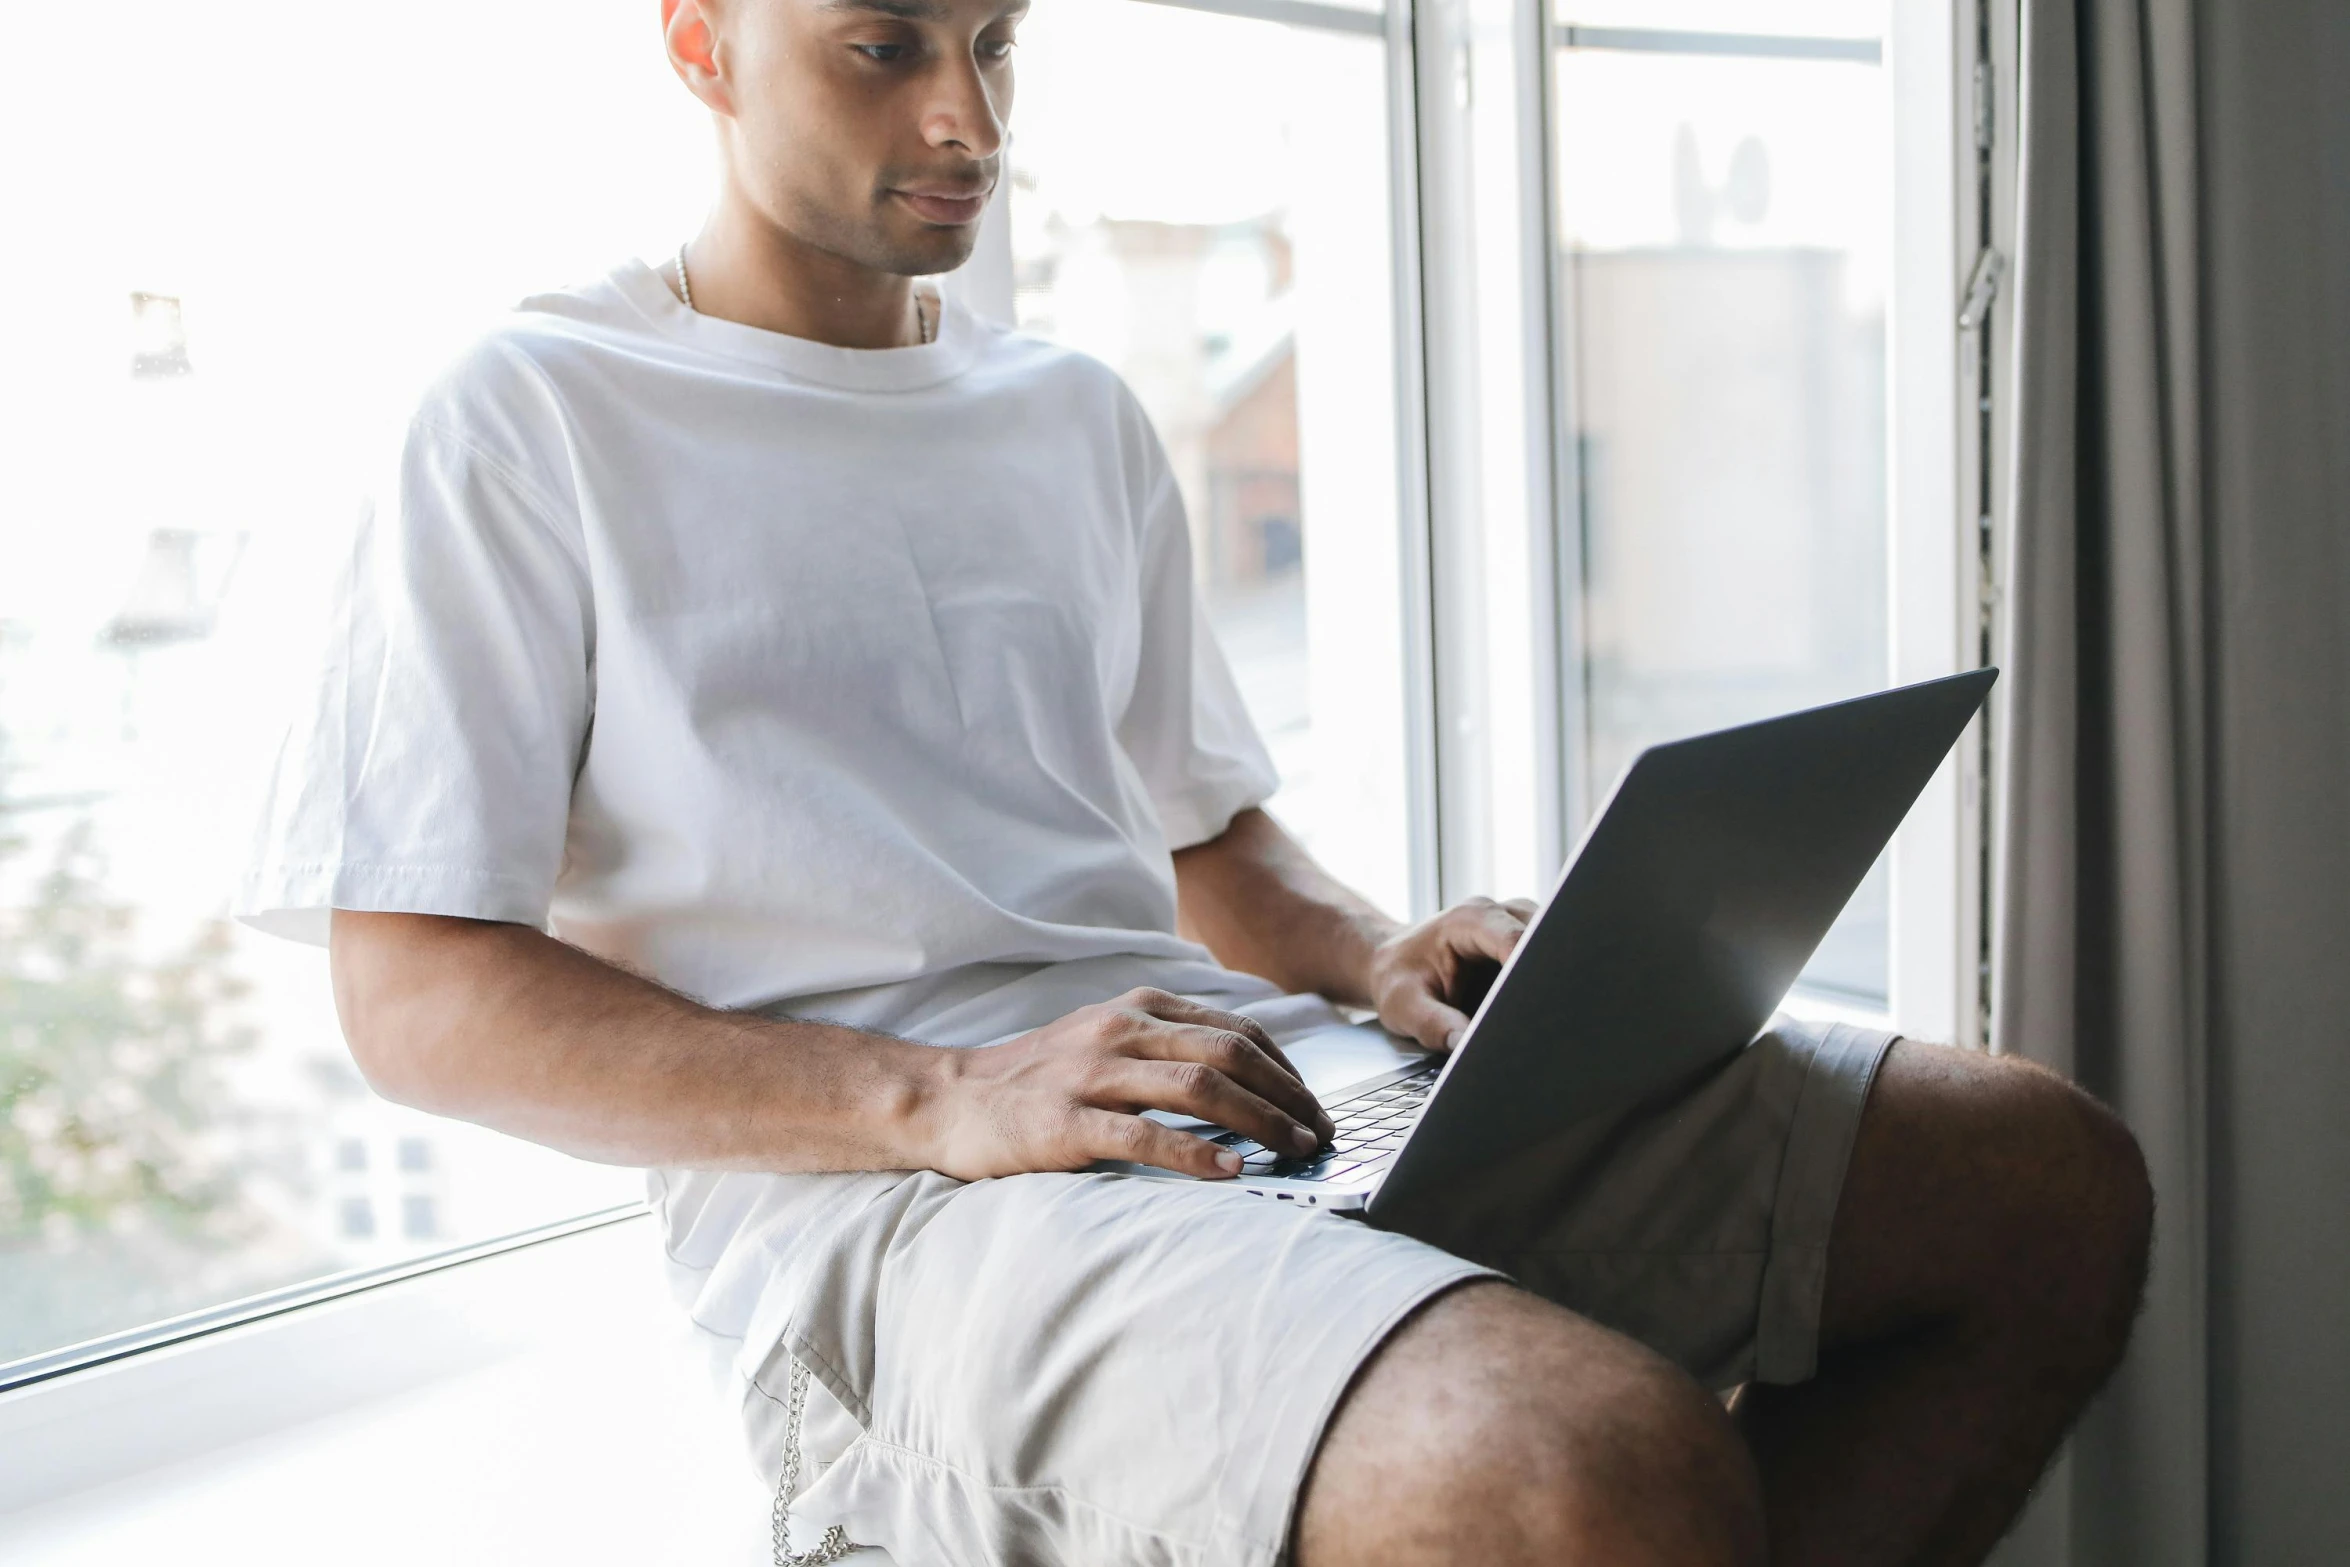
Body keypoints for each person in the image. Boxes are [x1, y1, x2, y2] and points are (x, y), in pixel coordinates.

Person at [237, 0, 2154, 1561]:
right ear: (698, 44)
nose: (966, 119)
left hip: (1228, 1078)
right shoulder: (532, 416)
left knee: (2035, 1184)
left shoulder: (1056, 410)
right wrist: (948, 1093)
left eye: (996, 44)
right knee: (1593, 1470)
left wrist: (1367, 951)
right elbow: (417, 996)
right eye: (883, 46)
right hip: (887, 1205)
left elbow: (1203, 832)